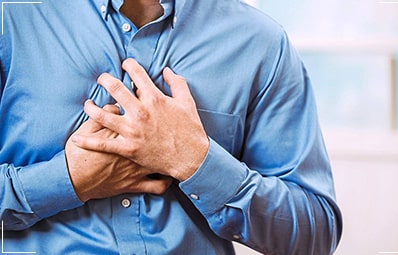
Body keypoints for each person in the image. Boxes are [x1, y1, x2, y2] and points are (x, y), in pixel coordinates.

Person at [0, 0, 342, 254]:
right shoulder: (9, 20)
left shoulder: (261, 43)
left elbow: (316, 235)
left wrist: (196, 161)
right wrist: (68, 181)